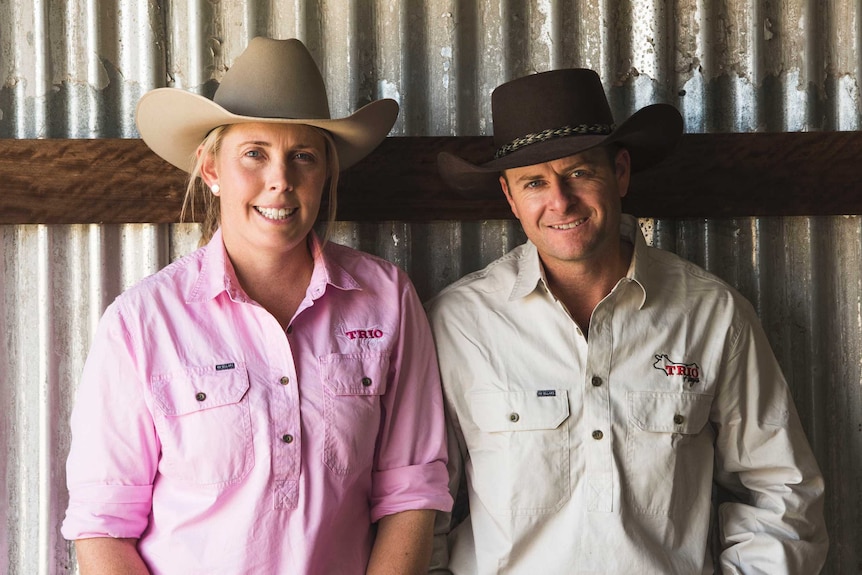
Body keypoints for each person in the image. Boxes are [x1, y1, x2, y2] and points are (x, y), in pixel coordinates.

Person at [61, 37, 452, 574]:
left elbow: (411, 488)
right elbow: (103, 524)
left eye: (303, 157)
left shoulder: (385, 300)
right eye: (254, 154)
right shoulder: (142, 322)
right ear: (211, 169)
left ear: (327, 173)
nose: (280, 181)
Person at [426, 69, 828, 574]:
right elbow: (420, 508)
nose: (560, 201)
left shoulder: (712, 315)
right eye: (534, 182)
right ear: (510, 198)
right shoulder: (458, 324)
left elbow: (782, 491)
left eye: (579, 173)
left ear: (619, 173)